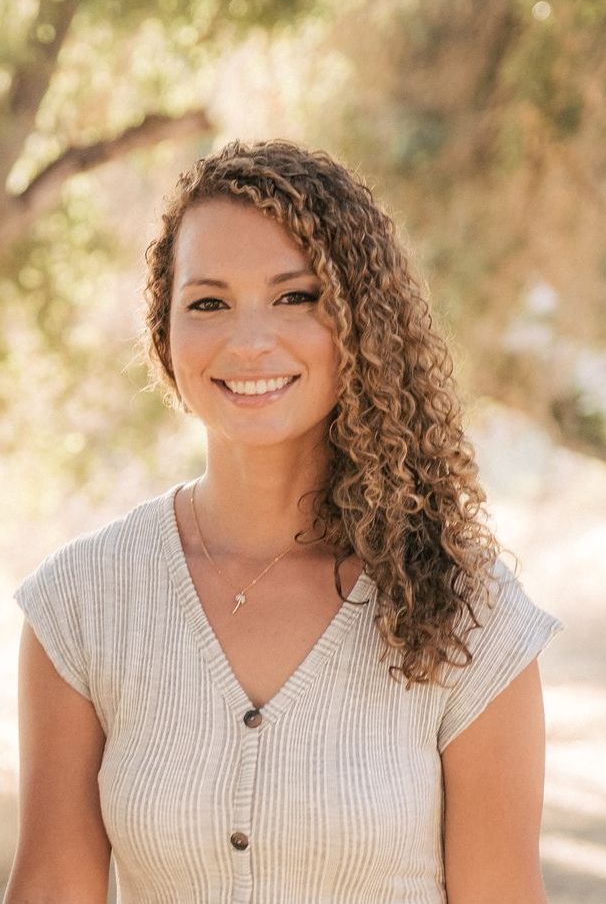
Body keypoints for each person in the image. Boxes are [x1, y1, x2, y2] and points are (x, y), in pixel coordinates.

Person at [5, 139, 564, 904]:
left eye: (296, 296)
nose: (248, 340)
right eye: (208, 302)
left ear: (363, 324)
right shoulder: (82, 605)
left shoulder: (469, 614)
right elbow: (51, 890)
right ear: (164, 334)